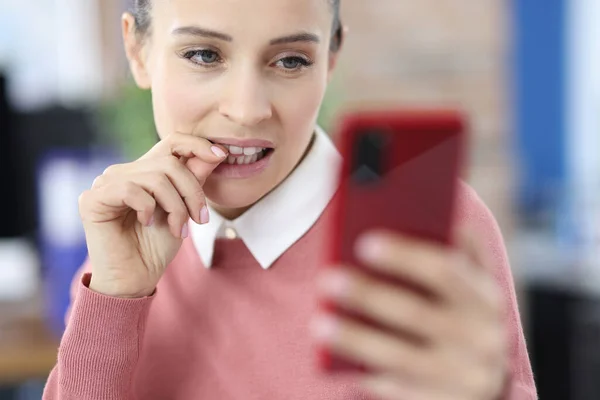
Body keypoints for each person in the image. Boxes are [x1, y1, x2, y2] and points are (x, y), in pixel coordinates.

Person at [43, 0, 537, 399]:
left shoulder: (435, 231)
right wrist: (113, 299)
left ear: (332, 58)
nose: (246, 110)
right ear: (137, 50)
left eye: (291, 61)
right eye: (203, 55)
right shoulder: (123, 255)